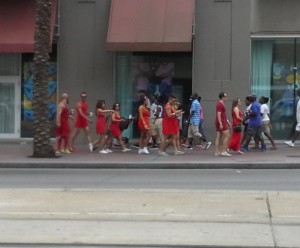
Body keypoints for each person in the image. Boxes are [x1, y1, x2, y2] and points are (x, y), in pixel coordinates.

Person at [214, 92, 231, 157]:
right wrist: (221, 123)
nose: (226, 97)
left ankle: (216, 152)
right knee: (227, 135)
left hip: (222, 121)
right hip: (221, 122)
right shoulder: (220, 104)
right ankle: (223, 151)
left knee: (219, 136)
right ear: (222, 97)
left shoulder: (221, 104)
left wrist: (227, 121)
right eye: (225, 96)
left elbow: (223, 114)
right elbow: (219, 114)